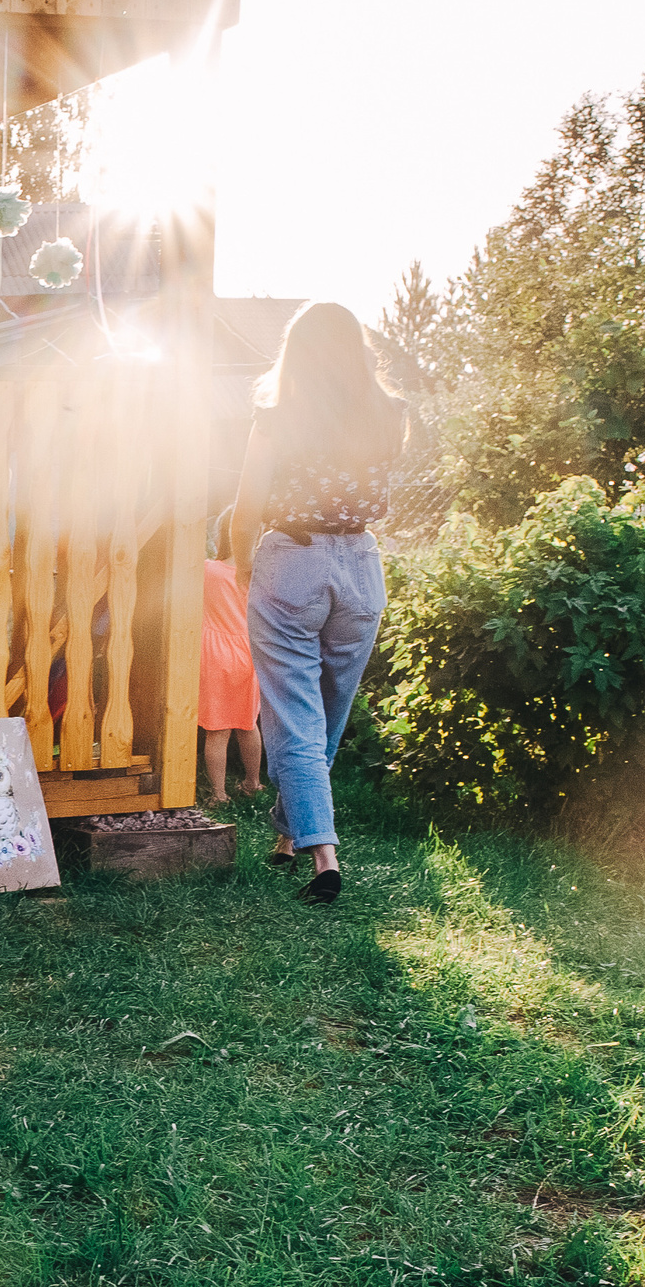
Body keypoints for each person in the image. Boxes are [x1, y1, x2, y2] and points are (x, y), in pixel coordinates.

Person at [225, 302, 404, 905]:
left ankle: (322, 854)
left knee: (294, 716)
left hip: (293, 561)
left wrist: (245, 564)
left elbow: (248, 506)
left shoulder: (277, 417)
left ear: (296, 353)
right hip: (361, 567)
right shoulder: (390, 415)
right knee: (326, 712)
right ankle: (287, 839)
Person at [198, 508, 263, 805]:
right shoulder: (258, 576)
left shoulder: (208, 570)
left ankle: (218, 794)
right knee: (248, 725)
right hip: (249, 652)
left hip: (215, 653)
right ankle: (253, 782)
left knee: (217, 730)